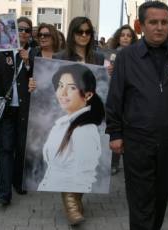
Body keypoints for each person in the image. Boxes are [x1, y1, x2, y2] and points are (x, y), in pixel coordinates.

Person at [106, 2, 168, 230]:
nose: (159, 27)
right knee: (141, 203)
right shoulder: (127, 57)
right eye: (153, 22)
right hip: (137, 143)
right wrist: (115, 133)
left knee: (160, 201)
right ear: (141, 25)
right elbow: (115, 98)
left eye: (164, 22)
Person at [51, 16, 105, 225]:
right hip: (67, 113)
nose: (83, 35)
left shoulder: (99, 58)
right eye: (79, 31)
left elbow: (104, 85)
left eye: (87, 32)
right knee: (67, 155)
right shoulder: (59, 56)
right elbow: (51, 85)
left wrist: (108, 74)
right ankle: (72, 205)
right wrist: (33, 84)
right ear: (72, 32)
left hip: (91, 113)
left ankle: (76, 199)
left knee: (86, 157)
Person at [0, 16, 36, 205]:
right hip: (6, 109)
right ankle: (3, 192)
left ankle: (19, 182)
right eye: (20, 29)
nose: (23, 33)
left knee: (22, 148)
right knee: (6, 149)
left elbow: (41, 77)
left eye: (27, 30)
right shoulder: (2, 51)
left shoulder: (34, 52)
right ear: (14, 31)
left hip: (26, 109)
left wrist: (29, 63)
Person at [38, 64, 104, 196]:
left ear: (88, 95)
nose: (62, 93)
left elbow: (83, 178)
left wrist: (71, 203)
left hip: (68, 192)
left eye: (72, 88)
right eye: (61, 86)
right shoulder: (63, 124)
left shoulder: (84, 130)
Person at [108, 24, 138, 175]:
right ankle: (113, 163)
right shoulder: (110, 55)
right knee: (115, 131)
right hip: (114, 98)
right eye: (123, 35)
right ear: (118, 38)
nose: (125, 37)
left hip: (130, 100)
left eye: (129, 35)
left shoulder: (137, 56)